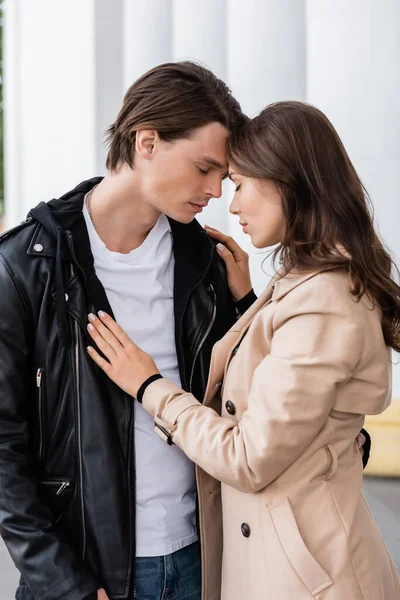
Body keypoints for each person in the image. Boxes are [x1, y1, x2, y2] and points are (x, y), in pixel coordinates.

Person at [85, 101, 400, 599]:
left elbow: (249, 457)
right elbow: (287, 390)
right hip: (285, 565)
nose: (230, 205)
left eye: (237, 183)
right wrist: (249, 303)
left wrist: (149, 386)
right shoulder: (305, 282)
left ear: (286, 181)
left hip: (309, 580)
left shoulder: (324, 299)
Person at [0, 62, 250, 600]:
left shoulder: (205, 262)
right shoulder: (26, 266)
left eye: (223, 177)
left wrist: (247, 304)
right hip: (89, 573)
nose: (215, 191)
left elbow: (243, 403)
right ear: (147, 142)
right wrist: (61, 582)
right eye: (205, 168)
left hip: (202, 560)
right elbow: (3, 445)